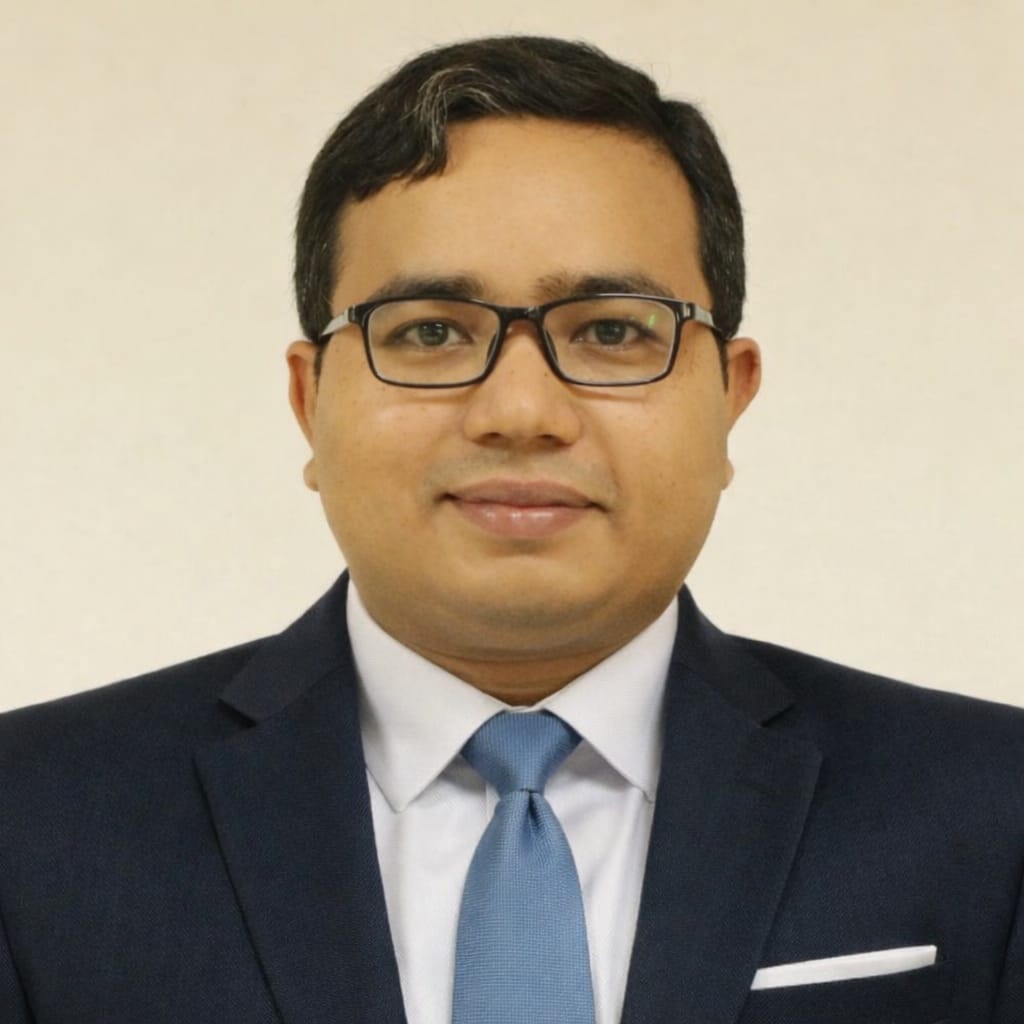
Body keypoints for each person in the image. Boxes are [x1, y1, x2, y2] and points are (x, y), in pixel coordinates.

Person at [0, 34, 1021, 1024]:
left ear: (730, 396)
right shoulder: (33, 820)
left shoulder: (989, 807)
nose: (521, 411)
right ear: (311, 403)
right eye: (430, 332)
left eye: (612, 331)